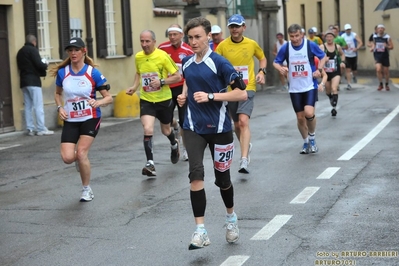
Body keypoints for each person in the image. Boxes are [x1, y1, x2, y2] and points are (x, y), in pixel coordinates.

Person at [177, 16, 247, 250]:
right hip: (193, 127)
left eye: (198, 37)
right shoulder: (186, 62)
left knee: (222, 180)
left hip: (219, 129)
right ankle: (200, 230)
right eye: (190, 38)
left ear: (208, 36)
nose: (194, 42)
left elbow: (241, 94)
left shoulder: (219, 63)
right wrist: (184, 95)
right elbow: (188, 79)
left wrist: (211, 96)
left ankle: (231, 218)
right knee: (195, 174)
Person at [52, 37, 113, 202]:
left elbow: (109, 98)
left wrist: (98, 102)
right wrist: (60, 108)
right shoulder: (62, 73)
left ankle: (87, 189)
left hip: (90, 117)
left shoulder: (92, 73)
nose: (73, 53)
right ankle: (79, 160)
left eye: (76, 50)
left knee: (81, 152)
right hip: (71, 119)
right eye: (70, 50)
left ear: (83, 51)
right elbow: (58, 94)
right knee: (67, 158)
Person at [215, 14, 267, 174]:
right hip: (230, 91)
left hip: (247, 87)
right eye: (232, 26)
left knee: (243, 122)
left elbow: (262, 58)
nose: (234, 29)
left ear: (244, 27)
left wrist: (261, 72)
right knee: (236, 125)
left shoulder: (251, 44)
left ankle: (244, 159)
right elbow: (215, 64)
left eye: (237, 26)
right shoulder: (222, 46)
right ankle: (246, 144)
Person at [126, 30, 181, 176]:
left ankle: (174, 144)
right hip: (147, 99)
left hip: (164, 100)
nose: (144, 45)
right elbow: (139, 73)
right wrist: (134, 87)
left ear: (154, 42)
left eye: (147, 41)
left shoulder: (162, 56)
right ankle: (150, 163)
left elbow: (177, 76)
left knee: (165, 130)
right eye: (142, 41)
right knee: (148, 129)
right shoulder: (138, 57)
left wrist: (162, 81)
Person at [273, 23, 327, 154]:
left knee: (309, 113)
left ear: (301, 34)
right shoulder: (286, 47)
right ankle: (305, 141)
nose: (295, 39)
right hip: (294, 88)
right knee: (300, 117)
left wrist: (319, 69)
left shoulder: (309, 45)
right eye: (292, 36)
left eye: (297, 36)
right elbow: (276, 62)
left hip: (309, 85)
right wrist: (280, 68)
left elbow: (323, 56)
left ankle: (312, 137)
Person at [158, 24, 194, 161]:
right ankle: (175, 125)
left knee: (185, 120)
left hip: (182, 88)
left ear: (181, 35)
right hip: (166, 88)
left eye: (175, 34)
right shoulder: (162, 48)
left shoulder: (188, 50)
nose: (172, 37)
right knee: (165, 121)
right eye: (170, 35)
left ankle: (185, 149)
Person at [16, 34, 54, 136]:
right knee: (38, 105)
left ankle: (30, 128)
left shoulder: (20, 52)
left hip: (24, 81)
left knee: (28, 106)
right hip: (33, 81)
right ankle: (41, 128)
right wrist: (45, 65)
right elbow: (38, 64)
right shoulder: (33, 50)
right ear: (34, 42)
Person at [320, 30, 346, 117]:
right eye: (327, 37)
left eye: (331, 37)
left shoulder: (337, 46)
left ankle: (334, 107)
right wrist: (323, 60)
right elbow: (316, 57)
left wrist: (342, 62)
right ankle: (331, 97)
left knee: (334, 88)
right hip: (326, 73)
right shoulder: (322, 47)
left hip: (335, 70)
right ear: (325, 38)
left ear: (333, 38)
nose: (329, 38)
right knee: (328, 91)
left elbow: (342, 54)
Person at [369, 24, 394, 91]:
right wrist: (372, 48)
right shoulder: (374, 36)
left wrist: (387, 46)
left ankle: (386, 84)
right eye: (379, 28)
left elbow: (392, 47)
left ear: (384, 29)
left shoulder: (387, 37)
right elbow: (374, 44)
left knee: (386, 71)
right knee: (378, 69)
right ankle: (380, 84)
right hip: (377, 55)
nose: (380, 30)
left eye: (381, 28)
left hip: (385, 55)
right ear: (377, 30)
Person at [341, 24, 363, 89]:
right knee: (348, 70)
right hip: (346, 55)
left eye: (349, 29)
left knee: (354, 70)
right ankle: (349, 84)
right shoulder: (343, 36)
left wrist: (357, 48)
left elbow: (361, 42)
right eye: (347, 29)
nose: (348, 31)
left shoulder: (354, 35)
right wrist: (343, 48)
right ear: (345, 30)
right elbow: (340, 45)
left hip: (353, 55)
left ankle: (354, 76)